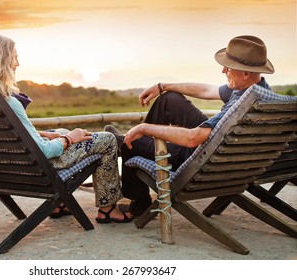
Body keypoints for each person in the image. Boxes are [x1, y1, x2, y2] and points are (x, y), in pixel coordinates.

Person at [0, 34, 132, 223]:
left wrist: (45, 134)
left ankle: (58, 203)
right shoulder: (9, 102)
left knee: (58, 132)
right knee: (107, 140)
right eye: (15, 57)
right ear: (3, 60)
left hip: (1, 168)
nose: (18, 63)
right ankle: (107, 209)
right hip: (36, 168)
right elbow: (45, 151)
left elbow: (5, 135)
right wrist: (70, 138)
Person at [106, 35, 275, 216]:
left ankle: (137, 202)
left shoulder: (242, 105)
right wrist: (163, 86)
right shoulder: (258, 91)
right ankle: (137, 142)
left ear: (245, 72)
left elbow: (193, 138)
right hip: (222, 151)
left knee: (127, 142)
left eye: (227, 68)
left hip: (201, 158)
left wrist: (143, 129)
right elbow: (206, 90)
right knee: (169, 99)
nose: (223, 71)